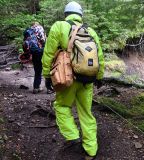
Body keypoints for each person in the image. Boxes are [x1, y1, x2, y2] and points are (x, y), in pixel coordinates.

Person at [42, 1, 104, 160]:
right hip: (87, 80)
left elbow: (48, 53)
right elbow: (100, 56)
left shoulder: (59, 26)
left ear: (66, 14)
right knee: (86, 113)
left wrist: (47, 75)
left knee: (62, 106)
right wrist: (99, 77)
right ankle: (91, 151)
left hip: (67, 78)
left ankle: (72, 135)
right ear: (80, 15)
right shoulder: (90, 31)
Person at [23, 23, 44, 94]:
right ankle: (45, 87)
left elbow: (25, 42)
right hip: (40, 51)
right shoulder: (40, 29)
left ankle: (36, 87)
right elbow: (43, 40)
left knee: (37, 69)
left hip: (33, 52)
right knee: (43, 69)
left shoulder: (28, 31)